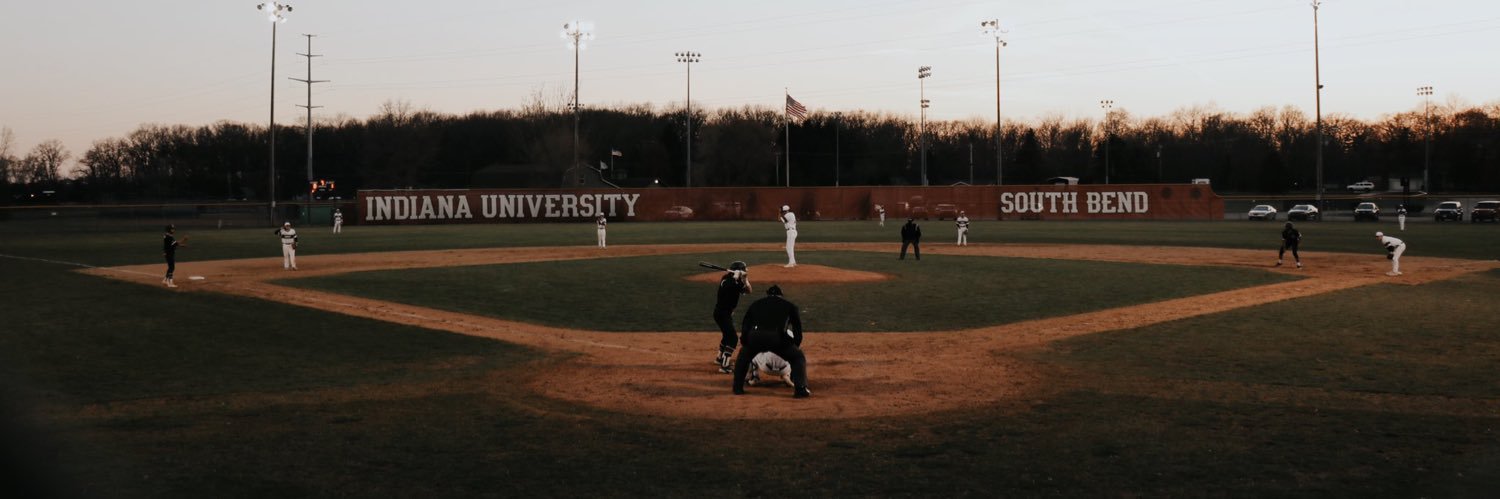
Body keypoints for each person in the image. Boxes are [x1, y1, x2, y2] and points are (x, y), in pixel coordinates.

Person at [732, 285, 810, 398]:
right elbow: (797, 329)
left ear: (767, 294)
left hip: (756, 337)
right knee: (798, 357)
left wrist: (746, 342)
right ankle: (800, 390)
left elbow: (746, 325)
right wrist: (794, 346)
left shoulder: (756, 304)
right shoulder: (790, 305)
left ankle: (737, 388)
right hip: (776, 337)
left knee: (743, 357)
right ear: (781, 295)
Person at [713, 261, 752, 373]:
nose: (745, 271)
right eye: (743, 270)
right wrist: (736, 278)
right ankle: (724, 366)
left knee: (727, 335)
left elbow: (749, 291)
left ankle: (719, 358)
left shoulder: (734, 281)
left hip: (724, 314)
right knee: (733, 339)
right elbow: (728, 287)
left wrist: (745, 280)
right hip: (722, 314)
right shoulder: (727, 281)